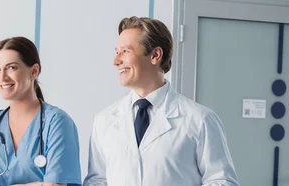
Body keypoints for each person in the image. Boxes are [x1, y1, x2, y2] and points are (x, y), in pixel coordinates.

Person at [83, 16, 239, 186]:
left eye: (125, 51)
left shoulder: (200, 120)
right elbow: (97, 180)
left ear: (155, 55)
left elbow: (222, 181)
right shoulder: (104, 120)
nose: (116, 61)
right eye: (116, 51)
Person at [0, 36, 81, 186]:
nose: (2, 77)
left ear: (34, 71)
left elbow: (55, 185)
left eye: (11, 67)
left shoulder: (57, 122)